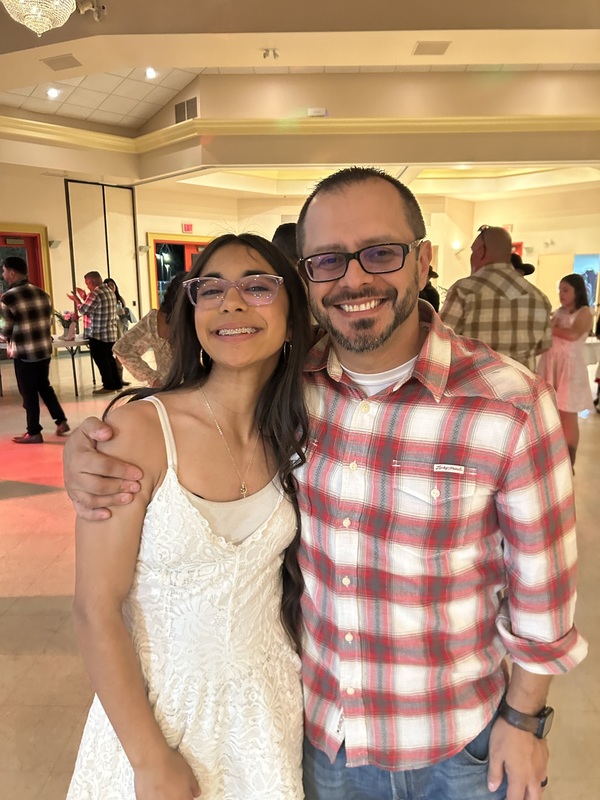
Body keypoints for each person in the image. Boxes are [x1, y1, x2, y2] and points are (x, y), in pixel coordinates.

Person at [64, 168, 587, 800]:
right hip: (323, 740)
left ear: (422, 264)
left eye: (381, 253)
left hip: (457, 743)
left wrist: (525, 720)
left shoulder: (507, 402)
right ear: (307, 282)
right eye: (328, 261)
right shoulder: (294, 393)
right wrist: (88, 448)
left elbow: (545, 583)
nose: (355, 278)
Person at [66, 234, 311, 800]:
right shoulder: (140, 431)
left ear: (293, 318)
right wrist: (150, 760)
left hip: (268, 710)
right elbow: (93, 608)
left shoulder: (298, 427)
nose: (232, 303)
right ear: (191, 312)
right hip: (156, 715)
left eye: (257, 286)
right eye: (212, 289)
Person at [440, 225, 552, 371]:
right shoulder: (539, 297)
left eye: (473, 251)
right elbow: (544, 345)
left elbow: (441, 340)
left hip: (476, 385)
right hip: (523, 388)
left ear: (481, 251)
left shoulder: (465, 290)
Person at [0, 256, 69, 443]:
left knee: (28, 392)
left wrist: (4, 338)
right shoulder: (42, 293)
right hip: (43, 350)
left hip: (24, 353)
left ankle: (34, 432)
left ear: (12, 272)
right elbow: (48, 322)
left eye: (4, 271)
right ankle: (61, 421)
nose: (3, 274)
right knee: (44, 386)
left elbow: (4, 330)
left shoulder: (8, 298)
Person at [536, 273, 594, 467]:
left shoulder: (585, 312)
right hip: (551, 363)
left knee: (568, 414)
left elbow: (573, 334)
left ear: (577, 291)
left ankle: (570, 462)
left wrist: (549, 327)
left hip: (569, 368)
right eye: (560, 290)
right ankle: (553, 456)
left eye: (566, 290)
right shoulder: (559, 312)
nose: (561, 294)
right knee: (549, 410)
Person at [113, 273, 183, 387]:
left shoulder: (202, 319)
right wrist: (152, 379)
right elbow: (122, 348)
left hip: (199, 390)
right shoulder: (156, 320)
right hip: (170, 389)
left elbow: (122, 349)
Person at [73, 271, 123, 395]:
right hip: (110, 332)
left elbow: (84, 310)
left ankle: (109, 386)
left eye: (87, 284)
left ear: (92, 282)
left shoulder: (95, 293)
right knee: (109, 360)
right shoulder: (109, 291)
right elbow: (95, 308)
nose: (87, 286)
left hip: (98, 334)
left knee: (102, 361)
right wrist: (85, 297)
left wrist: (77, 300)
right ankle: (117, 384)